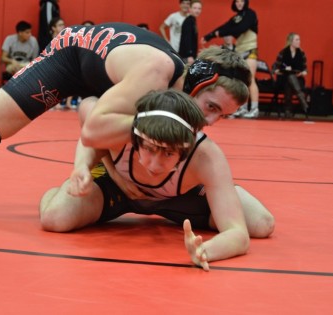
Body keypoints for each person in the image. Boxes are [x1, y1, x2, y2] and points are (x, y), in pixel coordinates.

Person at [0, 23, 250, 185]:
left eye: (222, 115)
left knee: (121, 137)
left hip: (101, 78)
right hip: (69, 59)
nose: (210, 122)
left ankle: (96, 183)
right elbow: (92, 131)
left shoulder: (175, 85)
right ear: (199, 82)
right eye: (211, 107)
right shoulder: (156, 73)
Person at [39, 89, 275, 270]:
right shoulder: (125, 130)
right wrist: (81, 167)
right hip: (119, 187)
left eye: (168, 153)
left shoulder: (205, 156)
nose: (154, 164)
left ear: (185, 150)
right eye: (149, 149)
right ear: (137, 138)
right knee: (54, 218)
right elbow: (89, 131)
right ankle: (55, 192)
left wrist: (206, 250)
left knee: (260, 223)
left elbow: (238, 235)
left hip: (181, 196)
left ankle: (220, 191)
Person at [201, 0, 260, 119]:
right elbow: (226, 26)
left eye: (242, 1)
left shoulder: (250, 14)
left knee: (250, 79)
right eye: (237, 1)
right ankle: (243, 108)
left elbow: (240, 29)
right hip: (239, 50)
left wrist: (220, 33)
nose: (239, 3)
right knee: (242, 81)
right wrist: (209, 36)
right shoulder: (236, 18)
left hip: (250, 50)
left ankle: (254, 108)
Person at [272, 32, 309, 118]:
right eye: (297, 40)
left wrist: (303, 72)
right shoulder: (283, 52)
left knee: (290, 80)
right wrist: (281, 70)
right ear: (291, 41)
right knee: (289, 78)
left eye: (299, 39)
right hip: (283, 78)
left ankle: (287, 110)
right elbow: (275, 68)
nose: (299, 41)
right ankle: (302, 100)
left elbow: (305, 68)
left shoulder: (301, 53)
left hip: (298, 79)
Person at [178, 0, 203, 65]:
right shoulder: (189, 21)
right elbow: (187, 38)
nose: (197, 10)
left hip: (189, 55)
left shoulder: (192, 20)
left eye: (199, 8)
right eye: (195, 8)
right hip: (187, 56)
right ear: (190, 9)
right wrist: (189, 55)